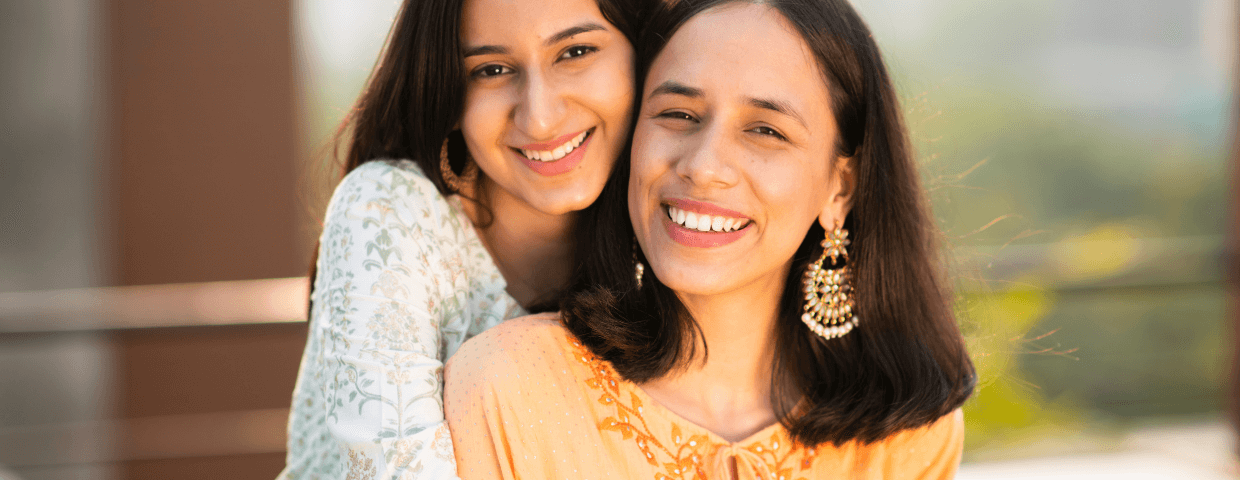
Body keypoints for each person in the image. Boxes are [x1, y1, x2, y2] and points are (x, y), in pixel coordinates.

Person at [444, 0, 977, 478]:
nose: (703, 167)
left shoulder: (905, 433)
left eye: (765, 130)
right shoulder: (509, 388)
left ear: (841, 188)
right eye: (678, 115)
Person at [279, 0, 643, 476]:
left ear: (643, 56)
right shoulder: (389, 212)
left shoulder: (667, 230)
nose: (540, 118)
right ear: (447, 93)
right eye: (491, 69)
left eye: (575, 52)